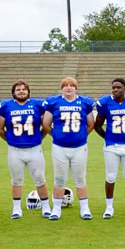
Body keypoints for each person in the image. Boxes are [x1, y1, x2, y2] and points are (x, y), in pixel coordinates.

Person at [0, 80, 52, 220]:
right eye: (18, 89)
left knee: (40, 178)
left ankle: (46, 206)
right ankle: (16, 208)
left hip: (34, 148)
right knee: (16, 180)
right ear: (13, 92)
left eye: (23, 89)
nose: (21, 91)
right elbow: (0, 128)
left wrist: (40, 137)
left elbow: (45, 125)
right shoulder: (6, 105)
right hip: (15, 149)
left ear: (28, 91)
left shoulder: (38, 105)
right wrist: (10, 140)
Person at [42, 77, 95, 220]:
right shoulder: (54, 102)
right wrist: (57, 136)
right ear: (61, 88)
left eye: (72, 85)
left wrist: (81, 136)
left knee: (80, 178)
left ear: (76, 88)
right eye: (65, 85)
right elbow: (46, 124)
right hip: (60, 147)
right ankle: (56, 208)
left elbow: (91, 124)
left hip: (79, 147)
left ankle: (85, 208)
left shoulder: (85, 102)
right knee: (59, 179)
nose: (68, 88)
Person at [94, 78, 125, 219]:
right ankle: (109, 207)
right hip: (111, 146)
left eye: (119, 87)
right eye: (114, 87)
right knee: (110, 176)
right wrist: (108, 138)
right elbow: (98, 125)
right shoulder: (105, 102)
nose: (116, 90)